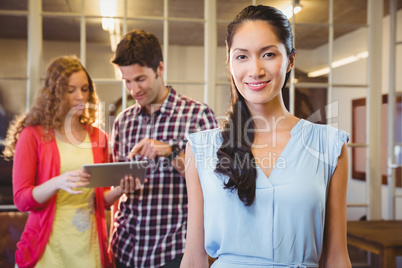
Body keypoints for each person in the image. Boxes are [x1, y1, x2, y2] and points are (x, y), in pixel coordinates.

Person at [181, 5, 351, 268]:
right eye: (242, 57)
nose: (256, 70)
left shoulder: (328, 145)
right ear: (229, 62)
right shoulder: (201, 148)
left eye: (268, 54)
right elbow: (194, 258)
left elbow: (336, 257)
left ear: (291, 59)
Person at [3, 56, 138, 268]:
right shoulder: (33, 135)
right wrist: (58, 182)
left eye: (85, 89)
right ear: (55, 94)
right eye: (71, 90)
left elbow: (99, 199)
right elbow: (22, 200)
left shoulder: (98, 137)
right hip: (47, 245)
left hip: (88, 244)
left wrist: (120, 190)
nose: (80, 97)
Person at [109, 29, 218, 268]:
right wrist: (122, 185)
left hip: (174, 252)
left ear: (160, 68)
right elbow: (115, 186)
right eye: (127, 81)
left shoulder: (198, 115)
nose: (133, 90)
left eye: (140, 79)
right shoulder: (122, 121)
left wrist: (170, 151)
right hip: (125, 249)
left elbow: (213, 183)